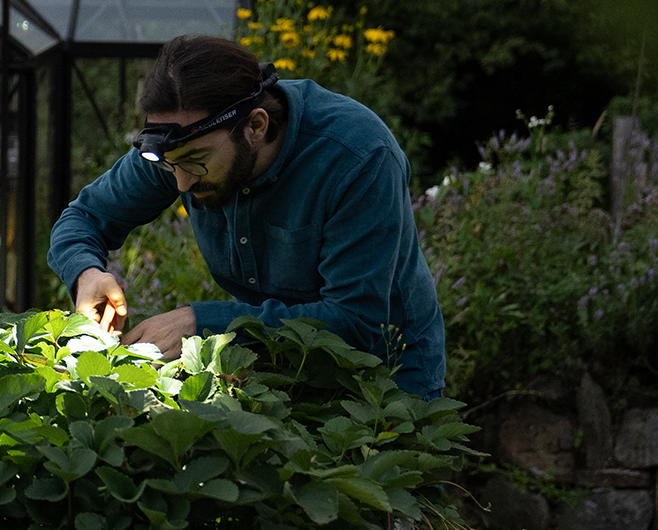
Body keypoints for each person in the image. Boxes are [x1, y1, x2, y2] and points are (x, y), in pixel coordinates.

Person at [47, 35, 446, 398]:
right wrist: (87, 274)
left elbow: (356, 322)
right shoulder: (179, 145)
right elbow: (83, 217)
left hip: (387, 374)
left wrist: (198, 325)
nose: (182, 184)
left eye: (196, 163)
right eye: (171, 167)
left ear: (255, 126)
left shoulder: (357, 157)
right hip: (270, 355)